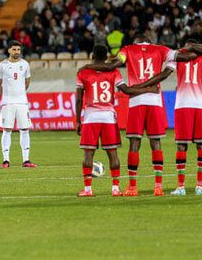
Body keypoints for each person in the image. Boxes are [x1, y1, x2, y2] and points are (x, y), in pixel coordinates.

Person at [81, 34, 195, 196]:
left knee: (135, 144)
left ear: (135, 41)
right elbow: (183, 57)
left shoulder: (127, 50)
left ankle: (133, 187)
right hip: (155, 101)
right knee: (156, 143)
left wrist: (87, 67)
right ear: (148, 41)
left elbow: (114, 64)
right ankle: (158, 187)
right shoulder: (160, 50)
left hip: (136, 102)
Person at [76, 44, 159, 197]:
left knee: (88, 154)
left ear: (92, 56)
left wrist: (78, 121)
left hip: (90, 117)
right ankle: (115, 189)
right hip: (108, 117)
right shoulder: (113, 72)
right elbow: (127, 90)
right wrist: (148, 89)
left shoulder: (83, 72)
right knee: (112, 153)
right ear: (107, 57)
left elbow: (79, 99)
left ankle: (88, 190)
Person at [131, 39, 202, 195]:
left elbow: (164, 74)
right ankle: (199, 186)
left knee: (181, 145)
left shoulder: (179, 57)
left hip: (183, 104)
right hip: (200, 105)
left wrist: (143, 85)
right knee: (200, 146)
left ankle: (181, 187)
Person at [0, 41, 36, 168]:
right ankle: (5, 160)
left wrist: (19, 94)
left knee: (24, 129)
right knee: (7, 130)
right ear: (9, 50)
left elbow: (27, 82)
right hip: (8, 102)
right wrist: (6, 96)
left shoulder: (25, 64)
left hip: (22, 102)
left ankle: (26, 160)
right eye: (14, 49)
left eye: (18, 49)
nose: (17, 52)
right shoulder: (2, 66)